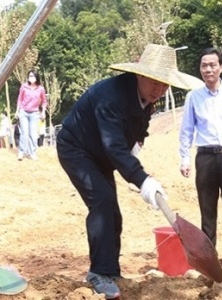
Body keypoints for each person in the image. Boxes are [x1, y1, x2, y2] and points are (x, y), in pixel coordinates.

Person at [56, 44, 196, 299]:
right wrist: (142, 178)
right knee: (102, 202)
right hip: (77, 149)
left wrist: (136, 151)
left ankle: (111, 271)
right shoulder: (111, 98)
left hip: (101, 153)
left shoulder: (145, 98)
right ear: (140, 75)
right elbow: (114, 147)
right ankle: (98, 273)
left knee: (113, 212)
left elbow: (136, 131)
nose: (160, 90)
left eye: (165, 85)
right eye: (155, 82)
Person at [179, 48, 222, 269]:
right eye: (204, 65)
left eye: (212, 65)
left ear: (221, 67)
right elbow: (187, 130)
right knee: (207, 208)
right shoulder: (193, 97)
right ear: (200, 69)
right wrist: (185, 158)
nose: (208, 69)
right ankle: (208, 254)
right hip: (205, 157)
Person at [15, 69, 47, 160]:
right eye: (30, 76)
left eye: (33, 76)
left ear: (36, 77)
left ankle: (32, 152)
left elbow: (44, 101)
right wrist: (17, 111)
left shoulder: (40, 89)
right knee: (24, 133)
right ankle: (22, 152)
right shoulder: (24, 87)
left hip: (34, 113)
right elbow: (20, 99)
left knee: (33, 134)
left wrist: (43, 111)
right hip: (24, 112)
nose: (31, 78)